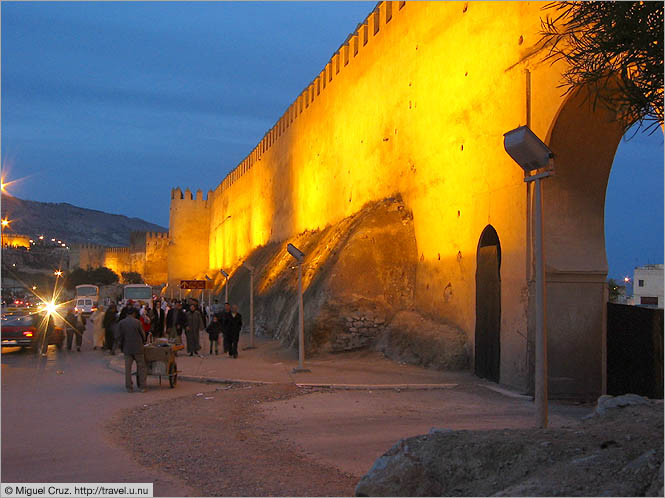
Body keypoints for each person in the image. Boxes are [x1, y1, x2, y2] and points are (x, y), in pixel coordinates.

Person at [117, 309, 147, 393]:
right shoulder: (137, 322)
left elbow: (119, 336)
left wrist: (121, 346)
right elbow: (142, 334)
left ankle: (129, 387)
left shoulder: (122, 323)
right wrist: (143, 341)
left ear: (126, 314)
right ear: (134, 314)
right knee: (141, 367)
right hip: (138, 348)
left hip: (127, 348)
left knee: (128, 369)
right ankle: (142, 387)